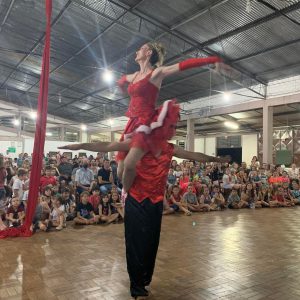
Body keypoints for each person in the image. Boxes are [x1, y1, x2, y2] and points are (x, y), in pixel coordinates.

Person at [59, 140, 227, 299]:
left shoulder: (169, 148)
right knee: (135, 243)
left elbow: (192, 155)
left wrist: (214, 159)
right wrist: (80, 145)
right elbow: (106, 145)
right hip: (136, 201)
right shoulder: (137, 143)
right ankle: (137, 286)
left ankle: (144, 279)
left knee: (151, 242)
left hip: (155, 202)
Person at [59, 42, 221, 193]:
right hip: (132, 122)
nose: (137, 51)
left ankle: (128, 194)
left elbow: (183, 65)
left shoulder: (156, 73)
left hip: (146, 122)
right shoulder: (135, 75)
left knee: (130, 164)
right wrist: (122, 85)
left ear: (149, 52)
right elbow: (122, 79)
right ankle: (128, 191)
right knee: (121, 169)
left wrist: (212, 59)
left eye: (141, 49)